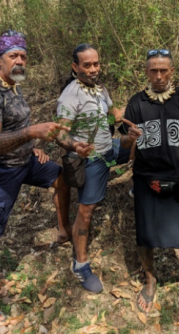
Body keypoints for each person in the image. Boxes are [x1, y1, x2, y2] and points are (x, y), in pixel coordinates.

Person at [0, 30, 70, 324]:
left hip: (25, 162)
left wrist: (31, 146)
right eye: (13, 56)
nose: (20, 61)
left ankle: (64, 230)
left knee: (60, 177)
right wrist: (32, 132)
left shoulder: (12, 86)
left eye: (23, 56)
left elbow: (13, 128)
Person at [121, 49, 179, 329]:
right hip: (145, 179)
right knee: (145, 234)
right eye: (153, 71)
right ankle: (150, 279)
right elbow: (125, 144)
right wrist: (130, 138)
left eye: (164, 70)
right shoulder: (136, 102)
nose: (158, 76)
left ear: (172, 71)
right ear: (146, 72)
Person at [56, 44, 141, 293]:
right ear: (75, 67)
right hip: (91, 158)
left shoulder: (100, 90)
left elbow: (112, 117)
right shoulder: (70, 96)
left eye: (96, 64)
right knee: (87, 210)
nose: (93, 69)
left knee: (145, 142)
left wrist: (129, 123)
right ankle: (80, 264)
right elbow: (59, 134)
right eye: (87, 65)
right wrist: (75, 145)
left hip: (110, 148)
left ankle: (139, 184)